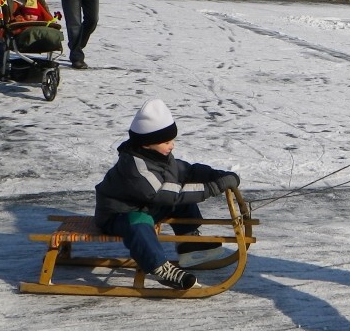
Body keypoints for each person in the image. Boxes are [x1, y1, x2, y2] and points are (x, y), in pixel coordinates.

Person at [94, 99, 241, 290]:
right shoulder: (134, 167)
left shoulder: (161, 156)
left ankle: (189, 243)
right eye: (166, 142)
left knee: (181, 202)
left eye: (172, 140)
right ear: (147, 144)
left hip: (146, 207)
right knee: (140, 221)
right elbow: (166, 194)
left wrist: (217, 175)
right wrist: (213, 187)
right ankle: (160, 267)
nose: (172, 146)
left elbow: (187, 171)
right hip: (117, 216)